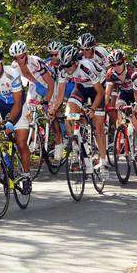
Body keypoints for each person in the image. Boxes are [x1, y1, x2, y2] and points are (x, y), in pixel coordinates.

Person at [56, 44, 111, 177]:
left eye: (69, 66)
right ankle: (76, 150)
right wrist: (53, 108)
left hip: (98, 88)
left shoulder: (86, 67)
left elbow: (100, 92)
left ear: (76, 62)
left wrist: (92, 109)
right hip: (81, 87)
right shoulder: (63, 69)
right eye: (64, 66)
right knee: (69, 115)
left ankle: (103, 162)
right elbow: (60, 95)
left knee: (98, 127)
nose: (67, 69)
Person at [104, 49, 137, 161]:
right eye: (113, 64)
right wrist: (104, 106)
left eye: (119, 63)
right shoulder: (110, 74)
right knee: (118, 107)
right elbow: (107, 92)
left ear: (124, 61)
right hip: (124, 94)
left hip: (136, 94)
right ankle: (121, 134)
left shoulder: (132, 72)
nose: (116, 66)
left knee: (134, 119)